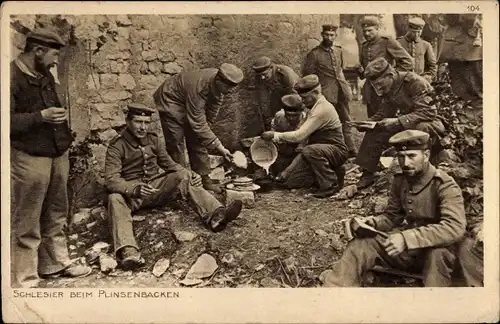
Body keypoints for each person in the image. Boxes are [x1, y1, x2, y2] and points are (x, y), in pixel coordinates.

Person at [104, 103, 243, 270]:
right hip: (132, 197)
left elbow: (170, 165)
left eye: (146, 123)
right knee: (114, 198)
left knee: (181, 176)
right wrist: (134, 188)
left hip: (156, 189)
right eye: (138, 122)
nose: (142, 127)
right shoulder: (117, 145)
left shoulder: (153, 139)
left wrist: (190, 174)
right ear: (128, 121)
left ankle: (216, 215)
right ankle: (128, 251)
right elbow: (111, 180)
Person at [321, 130, 467, 287]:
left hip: (436, 251)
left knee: (438, 255)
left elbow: (455, 227)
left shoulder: (444, 185)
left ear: (426, 155)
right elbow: (391, 217)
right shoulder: (401, 180)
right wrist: (372, 223)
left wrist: (406, 239)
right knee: (362, 243)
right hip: (409, 251)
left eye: (412, 156)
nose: (405, 163)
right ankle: (334, 291)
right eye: (401, 157)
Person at [10, 29, 91, 288]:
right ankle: (25, 277)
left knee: (56, 212)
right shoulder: (9, 76)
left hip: (57, 153)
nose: (56, 60)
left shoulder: (45, 73)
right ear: (38, 51)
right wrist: (40, 117)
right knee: (28, 216)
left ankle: (54, 264)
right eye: (54, 54)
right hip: (29, 156)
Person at [353, 57, 445, 189]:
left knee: (420, 128)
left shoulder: (414, 82)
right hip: (408, 122)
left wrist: (398, 121)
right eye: (375, 86)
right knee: (375, 131)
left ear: (390, 75)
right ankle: (368, 173)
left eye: (380, 84)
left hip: (432, 122)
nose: (378, 88)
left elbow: (429, 112)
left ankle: (423, 168)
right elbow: (383, 113)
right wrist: (368, 123)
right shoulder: (390, 86)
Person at [153, 63, 244, 193]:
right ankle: (181, 186)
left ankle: (205, 179)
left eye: (232, 88)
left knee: (199, 139)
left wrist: (207, 130)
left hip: (186, 101)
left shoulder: (219, 83)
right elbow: (198, 123)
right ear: (219, 80)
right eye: (228, 88)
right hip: (170, 99)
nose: (230, 91)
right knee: (176, 143)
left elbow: (213, 107)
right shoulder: (199, 87)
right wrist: (220, 147)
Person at [261, 75, 347, 199]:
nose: (303, 101)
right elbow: (300, 134)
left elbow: (299, 136)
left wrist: (274, 135)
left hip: (336, 150)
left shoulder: (322, 109)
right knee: (289, 182)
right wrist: (288, 171)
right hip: (319, 151)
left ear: (316, 92)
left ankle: (330, 185)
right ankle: (334, 172)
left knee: (310, 151)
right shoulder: (312, 107)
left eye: (305, 98)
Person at [303, 24, 357, 157]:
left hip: (341, 91)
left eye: (332, 35)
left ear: (335, 36)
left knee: (346, 120)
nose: (329, 37)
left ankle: (350, 148)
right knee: (326, 122)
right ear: (322, 35)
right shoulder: (314, 54)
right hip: (326, 93)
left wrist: (346, 88)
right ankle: (329, 148)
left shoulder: (338, 51)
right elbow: (310, 77)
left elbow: (340, 71)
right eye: (326, 35)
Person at [357, 15, 415, 118]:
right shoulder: (364, 46)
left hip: (386, 88)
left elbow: (408, 62)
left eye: (370, 30)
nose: (366, 33)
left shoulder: (387, 41)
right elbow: (364, 71)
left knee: (386, 120)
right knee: (372, 119)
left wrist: (393, 76)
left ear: (377, 29)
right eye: (364, 31)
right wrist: (360, 70)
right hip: (370, 90)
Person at [252, 56, 300, 131]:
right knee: (275, 115)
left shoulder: (285, 74)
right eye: (260, 75)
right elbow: (263, 99)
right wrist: (268, 119)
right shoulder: (260, 77)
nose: (262, 78)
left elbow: (296, 96)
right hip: (277, 95)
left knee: (292, 117)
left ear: (271, 68)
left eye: (264, 74)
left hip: (294, 95)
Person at [269, 94, 308, 176]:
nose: (291, 118)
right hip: (284, 149)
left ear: (301, 112)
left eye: (295, 116)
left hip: (299, 151)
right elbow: (273, 128)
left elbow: (303, 145)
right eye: (288, 115)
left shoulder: (306, 121)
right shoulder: (279, 116)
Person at [396, 17, 437, 83]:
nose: (416, 35)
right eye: (413, 32)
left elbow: (432, 65)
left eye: (419, 32)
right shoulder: (398, 43)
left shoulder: (426, 45)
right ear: (408, 29)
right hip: (401, 81)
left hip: (420, 81)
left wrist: (429, 77)